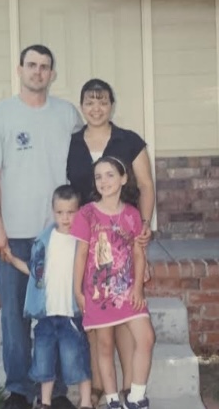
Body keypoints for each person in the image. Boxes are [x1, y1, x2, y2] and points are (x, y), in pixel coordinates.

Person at [0, 44, 83, 409]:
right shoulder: (0, 115)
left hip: (60, 235)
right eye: (32, 65)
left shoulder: (68, 115)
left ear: (52, 74)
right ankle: (19, 389)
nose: (38, 72)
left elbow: (84, 168)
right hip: (14, 235)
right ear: (19, 70)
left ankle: (61, 391)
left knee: (62, 314)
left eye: (45, 67)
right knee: (16, 316)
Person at [66, 79, 155, 406]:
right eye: (89, 102)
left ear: (111, 105)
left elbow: (146, 185)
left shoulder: (128, 140)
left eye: (102, 101)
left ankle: (134, 390)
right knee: (99, 329)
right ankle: (105, 390)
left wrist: (144, 227)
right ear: (82, 106)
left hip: (125, 236)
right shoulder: (72, 142)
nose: (96, 108)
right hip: (87, 236)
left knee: (127, 322)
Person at [8, 185, 93, 409]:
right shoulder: (45, 241)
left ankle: (85, 402)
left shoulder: (82, 241)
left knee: (78, 359)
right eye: (60, 212)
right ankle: (44, 402)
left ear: (79, 211)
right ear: (53, 211)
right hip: (46, 316)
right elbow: (33, 270)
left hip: (70, 315)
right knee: (44, 363)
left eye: (70, 212)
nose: (65, 218)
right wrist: (10, 258)